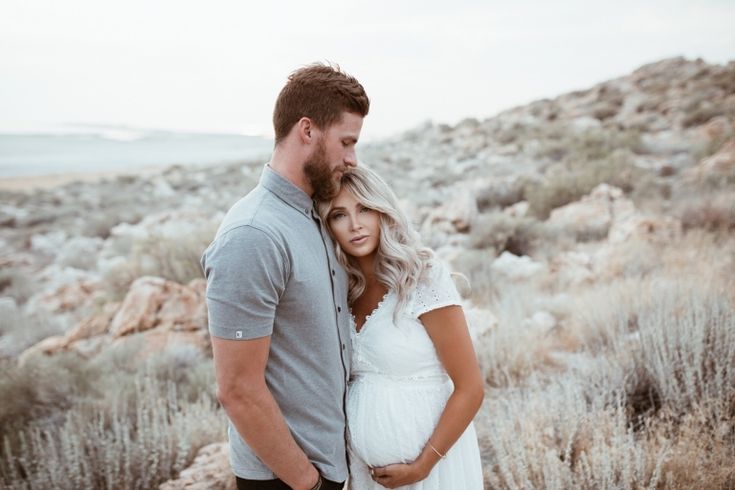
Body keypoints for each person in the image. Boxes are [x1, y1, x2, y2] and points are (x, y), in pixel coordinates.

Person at [200, 63, 369, 490]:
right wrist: (306, 481)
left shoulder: (314, 215)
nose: (352, 158)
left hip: (328, 465)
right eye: (346, 142)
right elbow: (237, 388)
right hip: (285, 479)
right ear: (307, 131)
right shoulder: (254, 235)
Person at [317, 166, 485, 489]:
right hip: (366, 476)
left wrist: (423, 465)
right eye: (339, 215)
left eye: (364, 208)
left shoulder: (422, 276)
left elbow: (471, 388)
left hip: (433, 472)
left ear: (383, 211)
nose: (355, 225)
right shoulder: (340, 291)